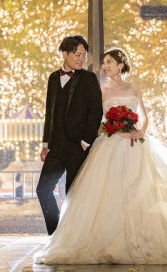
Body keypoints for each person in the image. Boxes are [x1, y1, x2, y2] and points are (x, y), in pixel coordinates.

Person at [34, 48, 167, 265]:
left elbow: (144, 117)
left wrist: (140, 131)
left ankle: (145, 237)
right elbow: (95, 121)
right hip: (110, 145)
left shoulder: (134, 88)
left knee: (143, 190)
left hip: (136, 145)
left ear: (120, 65)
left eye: (109, 62)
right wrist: (114, 129)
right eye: (104, 63)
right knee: (109, 192)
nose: (104, 66)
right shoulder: (101, 91)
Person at [36, 35, 103, 235]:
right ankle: (56, 234)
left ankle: (75, 237)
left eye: (84, 55)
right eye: (78, 54)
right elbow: (50, 112)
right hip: (56, 147)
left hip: (78, 147)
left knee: (73, 194)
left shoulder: (89, 79)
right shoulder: (53, 78)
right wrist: (46, 144)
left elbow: (96, 111)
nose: (82, 59)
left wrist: (86, 141)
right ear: (65, 54)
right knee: (43, 190)